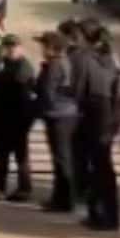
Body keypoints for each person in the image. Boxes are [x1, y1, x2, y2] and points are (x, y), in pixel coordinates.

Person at [73, 21, 120, 232]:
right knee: (104, 166)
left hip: (93, 111)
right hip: (108, 111)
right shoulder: (109, 57)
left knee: (96, 166)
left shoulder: (84, 57)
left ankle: (100, 214)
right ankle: (108, 214)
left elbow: (78, 89)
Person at [0, 35, 35, 202]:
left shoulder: (23, 67)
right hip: (1, 116)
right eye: (7, 46)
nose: (10, 49)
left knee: (20, 156)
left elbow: (14, 85)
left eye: (14, 46)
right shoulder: (2, 65)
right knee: (1, 155)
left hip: (17, 117)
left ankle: (23, 188)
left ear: (21, 48)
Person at [36, 31, 78, 213]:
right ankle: (62, 198)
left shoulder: (54, 65)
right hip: (68, 114)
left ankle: (63, 200)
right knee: (64, 157)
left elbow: (47, 93)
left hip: (58, 115)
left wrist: (39, 106)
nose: (41, 49)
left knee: (61, 159)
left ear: (52, 48)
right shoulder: (67, 62)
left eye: (43, 45)